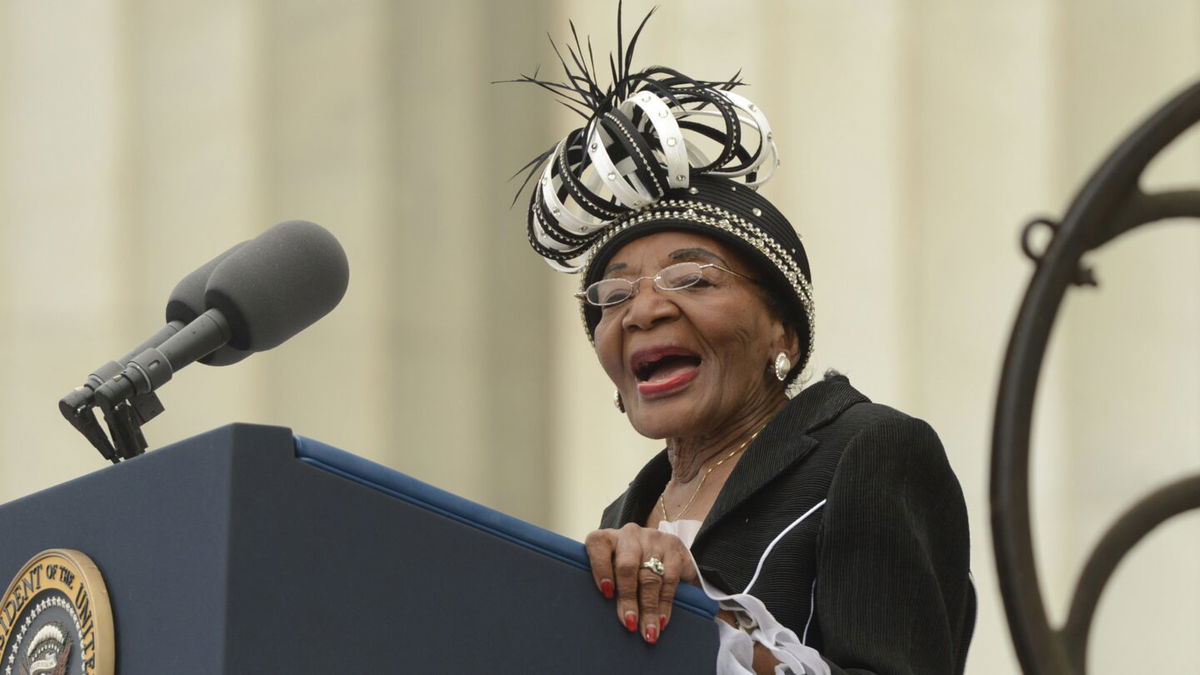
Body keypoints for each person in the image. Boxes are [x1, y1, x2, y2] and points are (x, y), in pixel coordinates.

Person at [515, 9, 974, 674]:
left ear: (782, 330)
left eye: (692, 278)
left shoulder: (869, 451)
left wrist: (714, 628)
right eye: (613, 296)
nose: (643, 308)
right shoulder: (627, 514)